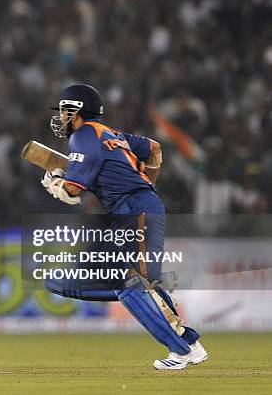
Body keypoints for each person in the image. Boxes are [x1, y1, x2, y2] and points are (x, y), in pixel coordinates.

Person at [39, 84, 208, 370]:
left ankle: (182, 350)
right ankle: (155, 291)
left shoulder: (83, 136)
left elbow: (71, 192)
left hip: (135, 210)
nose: (62, 117)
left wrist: (55, 181)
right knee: (62, 281)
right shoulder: (110, 133)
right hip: (125, 213)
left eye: (66, 110)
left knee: (130, 286)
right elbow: (153, 148)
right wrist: (149, 181)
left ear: (79, 111)